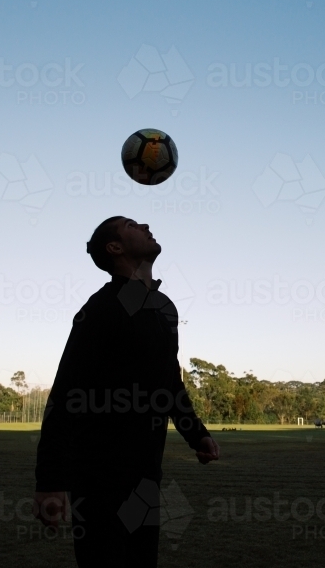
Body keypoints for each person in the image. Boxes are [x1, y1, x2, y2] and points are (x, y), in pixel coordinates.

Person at [34, 216, 219, 567]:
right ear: (115, 248)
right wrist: (50, 480)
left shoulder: (163, 308)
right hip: (98, 479)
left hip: (146, 477)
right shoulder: (101, 309)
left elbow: (168, 379)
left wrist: (196, 435)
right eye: (132, 225)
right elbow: (65, 391)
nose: (146, 225)